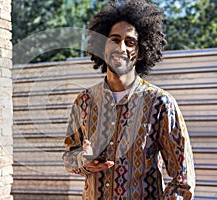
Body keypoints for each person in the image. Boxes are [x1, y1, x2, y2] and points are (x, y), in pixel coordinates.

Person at [62, 0, 195, 199]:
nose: (121, 47)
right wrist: (83, 161)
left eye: (130, 42)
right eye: (114, 39)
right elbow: (69, 156)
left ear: (140, 52)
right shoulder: (84, 101)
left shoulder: (160, 103)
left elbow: (183, 180)